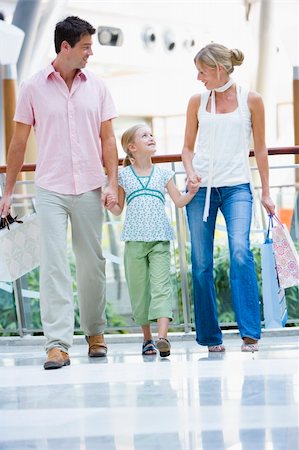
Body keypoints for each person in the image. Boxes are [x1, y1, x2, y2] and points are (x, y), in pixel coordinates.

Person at [0, 16, 119, 369]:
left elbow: (109, 138)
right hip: (50, 188)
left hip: (89, 185)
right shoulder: (32, 87)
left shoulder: (97, 87)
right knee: (54, 266)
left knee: (92, 264)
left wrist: (111, 182)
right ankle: (56, 345)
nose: (90, 53)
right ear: (65, 47)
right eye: (85, 46)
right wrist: (7, 192)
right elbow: (18, 143)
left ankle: (95, 333)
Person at [182, 43, 275, 353]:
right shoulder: (197, 101)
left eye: (202, 71)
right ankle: (210, 337)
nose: (198, 77)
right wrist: (189, 171)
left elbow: (260, 148)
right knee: (201, 264)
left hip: (237, 187)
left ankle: (250, 333)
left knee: (239, 251)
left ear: (218, 69)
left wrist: (267, 191)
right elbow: (187, 149)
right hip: (200, 191)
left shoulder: (252, 99)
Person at [106, 124, 200, 357]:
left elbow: (179, 201)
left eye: (151, 134)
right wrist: (108, 202)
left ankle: (162, 338)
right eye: (144, 135)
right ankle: (147, 339)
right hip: (134, 241)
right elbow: (118, 209)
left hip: (160, 240)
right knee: (140, 290)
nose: (151, 137)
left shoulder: (163, 174)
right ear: (132, 147)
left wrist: (192, 191)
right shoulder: (124, 176)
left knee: (161, 288)